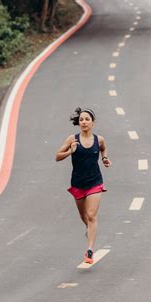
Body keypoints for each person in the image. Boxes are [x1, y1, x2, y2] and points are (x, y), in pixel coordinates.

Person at [56, 107, 112, 264]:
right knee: (84, 217)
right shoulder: (71, 140)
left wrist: (105, 158)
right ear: (78, 123)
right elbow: (57, 156)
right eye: (81, 120)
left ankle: (89, 251)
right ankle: (90, 230)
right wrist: (70, 152)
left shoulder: (99, 139)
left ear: (93, 122)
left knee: (92, 215)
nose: (84, 122)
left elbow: (103, 149)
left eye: (87, 119)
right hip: (78, 183)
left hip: (95, 181)